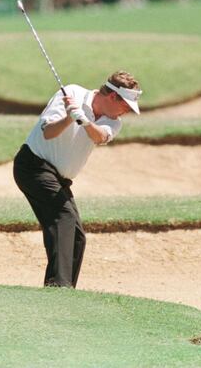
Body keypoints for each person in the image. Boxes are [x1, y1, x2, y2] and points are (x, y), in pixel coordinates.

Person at [13, 71, 142, 288]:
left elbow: (100, 136)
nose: (127, 111)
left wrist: (82, 119)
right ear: (113, 97)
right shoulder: (72, 92)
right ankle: (58, 286)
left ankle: (66, 289)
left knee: (77, 236)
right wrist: (69, 117)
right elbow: (48, 133)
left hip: (58, 178)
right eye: (126, 105)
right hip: (33, 166)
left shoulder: (114, 122)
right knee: (63, 216)